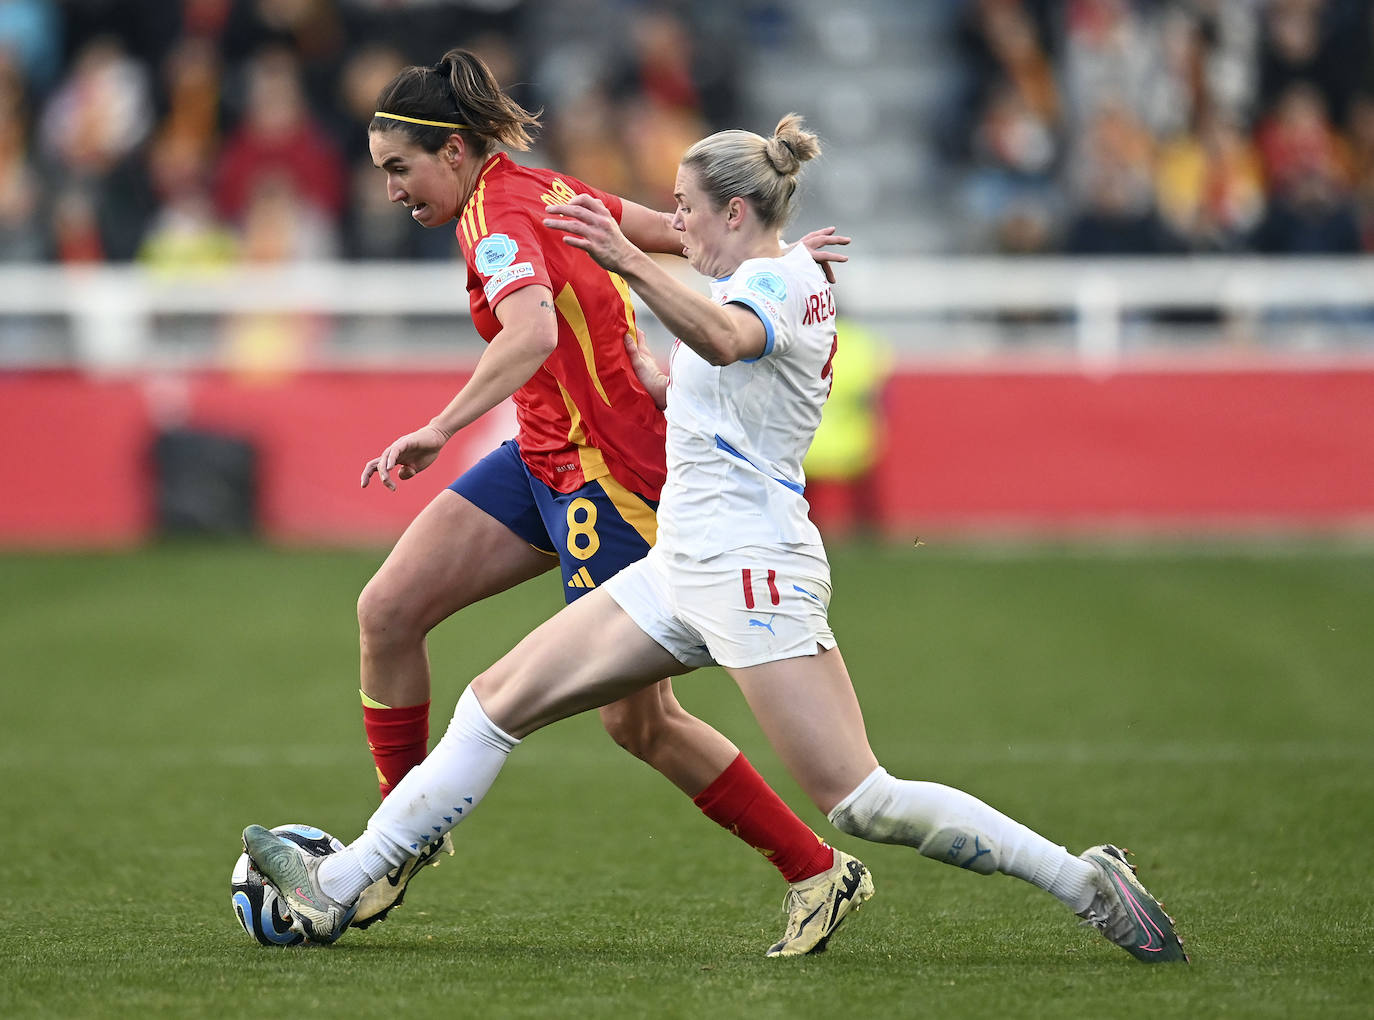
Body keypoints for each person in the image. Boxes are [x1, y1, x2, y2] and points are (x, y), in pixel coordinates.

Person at [245, 112, 1187, 965]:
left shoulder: (778, 283)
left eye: (687, 209)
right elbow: (720, 371)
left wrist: (626, 260)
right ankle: (340, 883)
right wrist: (658, 379)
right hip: (682, 567)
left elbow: (735, 342)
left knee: (863, 798)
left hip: (754, 575)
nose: (675, 224)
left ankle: (1080, 880)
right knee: (494, 702)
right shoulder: (765, 274)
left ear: (735, 211)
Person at [335, 48, 870, 957]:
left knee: (638, 721)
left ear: (455, 153)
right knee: (387, 610)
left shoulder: (497, 216)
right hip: (541, 454)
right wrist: (775, 260)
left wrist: (437, 426)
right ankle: (403, 832)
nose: (391, 190)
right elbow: (668, 228)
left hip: (609, 469)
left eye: (400, 168)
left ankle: (818, 869)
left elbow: (533, 329)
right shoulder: (533, 186)